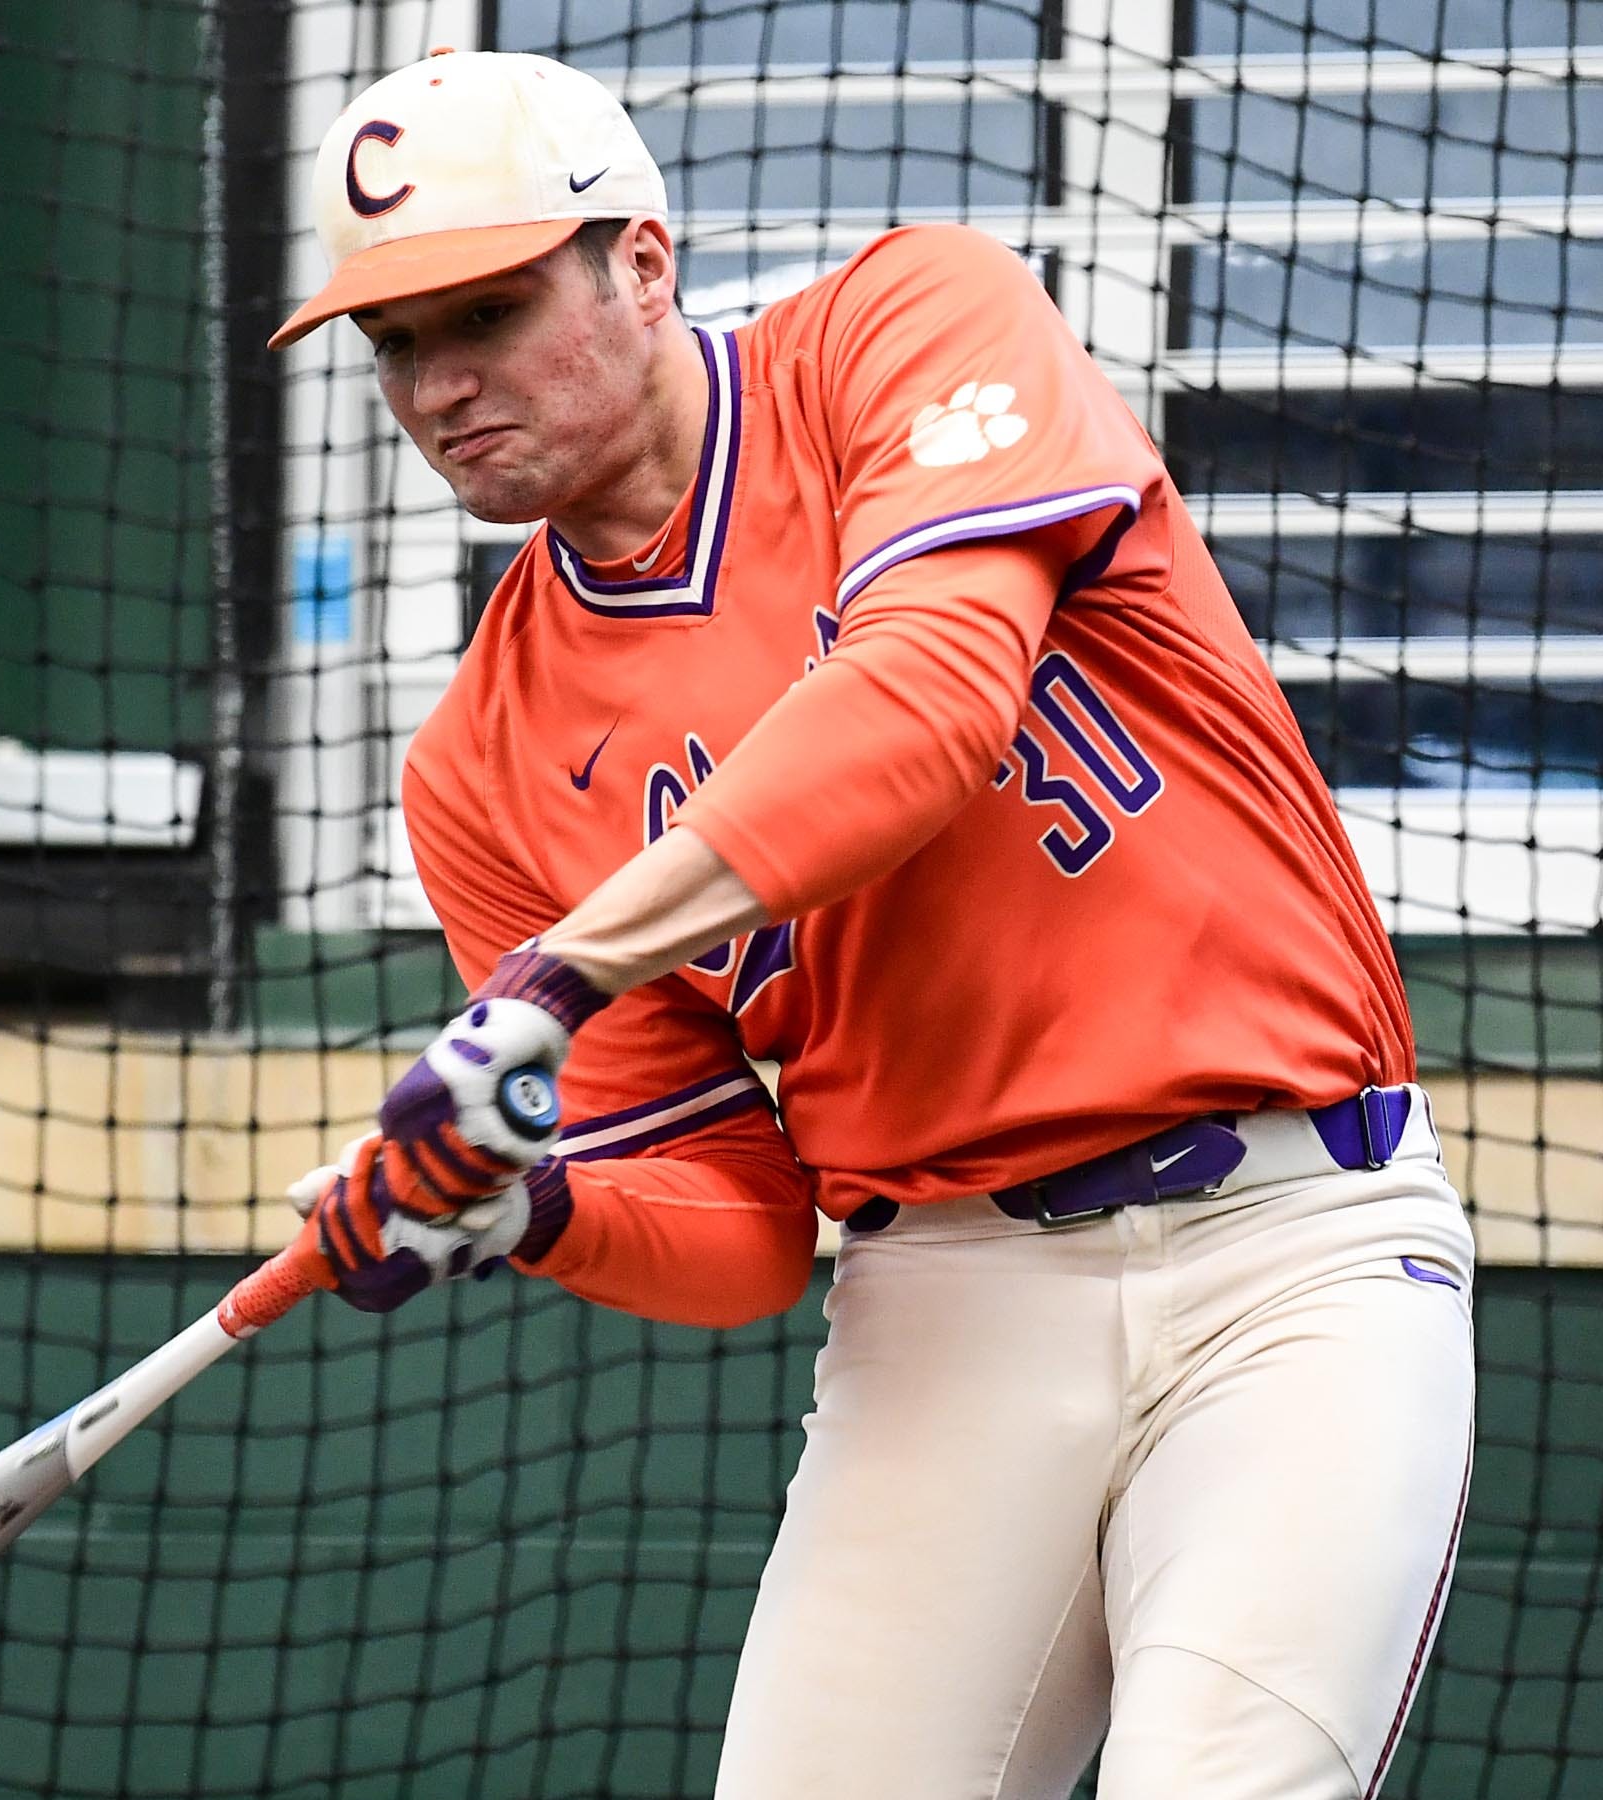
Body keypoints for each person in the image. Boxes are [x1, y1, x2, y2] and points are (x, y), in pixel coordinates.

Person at [269, 47, 1476, 1800]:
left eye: (492, 306)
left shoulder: (906, 326)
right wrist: (532, 1207)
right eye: (397, 339)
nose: (443, 381)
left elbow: (927, 703)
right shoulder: (482, 761)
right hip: (946, 1308)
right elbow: (742, 1226)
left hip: (1294, 1248)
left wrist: (560, 976)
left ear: (644, 264)